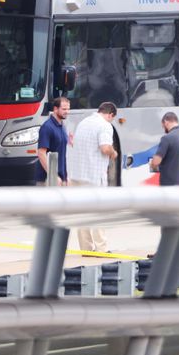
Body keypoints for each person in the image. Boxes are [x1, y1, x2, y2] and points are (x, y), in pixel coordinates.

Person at [70, 102, 119, 253]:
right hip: (94, 176)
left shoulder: (83, 123)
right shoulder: (104, 125)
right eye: (112, 118)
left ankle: (86, 248)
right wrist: (113, 153)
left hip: (78, 175)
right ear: (110, 114)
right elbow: (105, 148)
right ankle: (102, 248)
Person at [150, 112, 179, 186]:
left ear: (166, 122)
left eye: (163, 126)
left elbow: (156, 162)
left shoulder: (166, 138)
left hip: (170, 186)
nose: (164, 129)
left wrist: (152, 164)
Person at [37, 97, 70, 185]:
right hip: (47, 179)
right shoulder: (47, 127)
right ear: (55, 109)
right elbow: (41, 153)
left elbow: (62, 152)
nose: (67, 111)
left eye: (68, 109)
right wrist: (53, 175)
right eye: (64, 109)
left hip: (60, 178)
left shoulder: (62, 125)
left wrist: (65, 177)